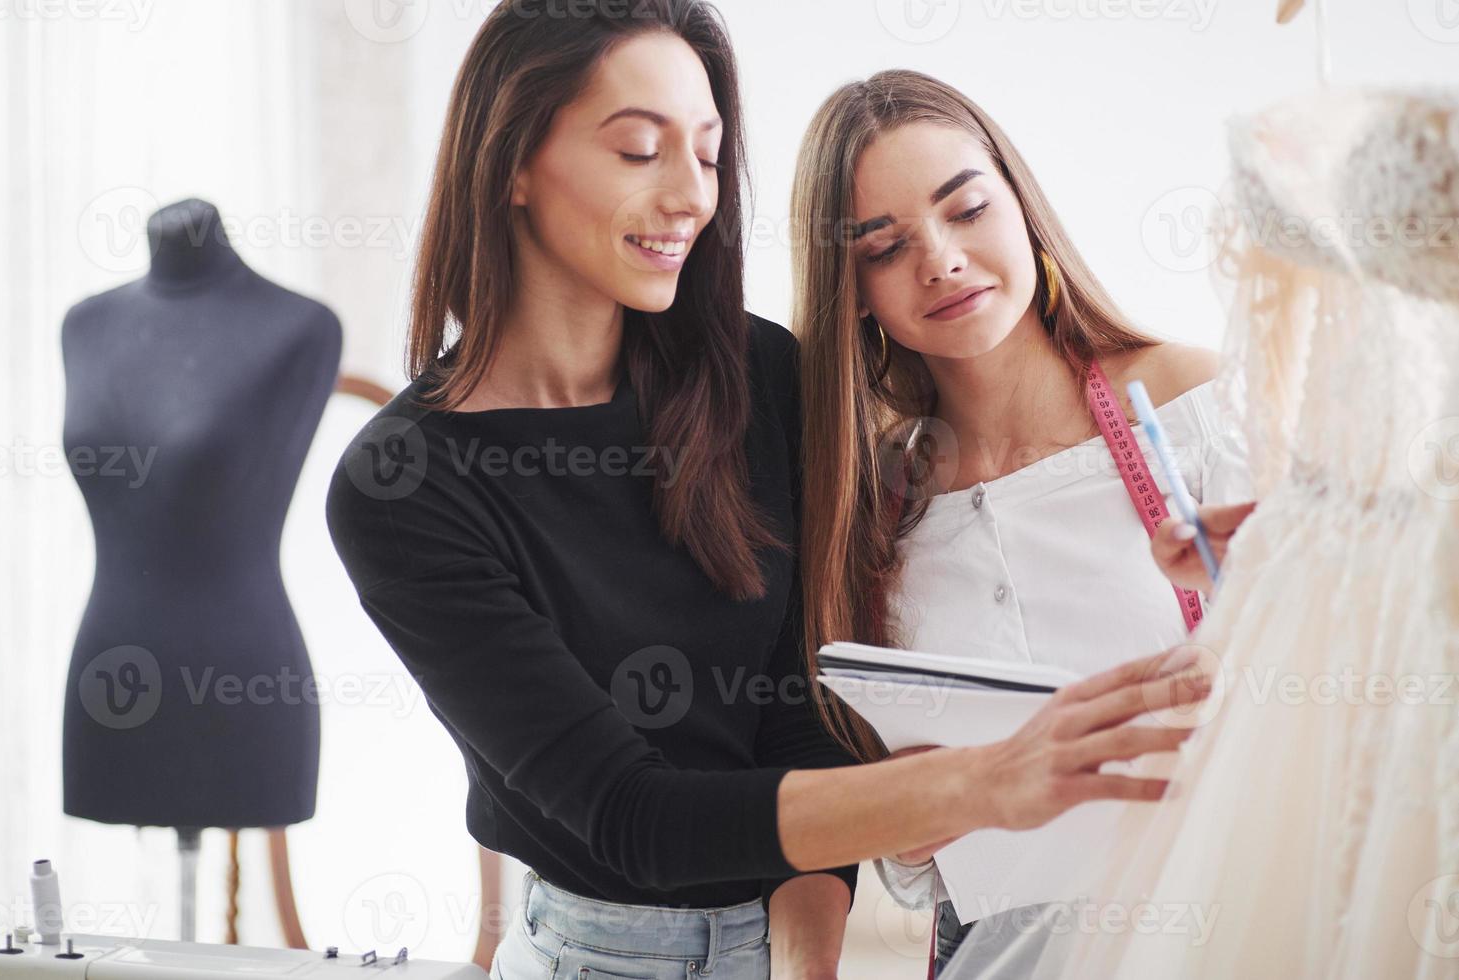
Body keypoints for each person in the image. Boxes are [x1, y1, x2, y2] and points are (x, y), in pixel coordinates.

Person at [325, 5, 1212, 977]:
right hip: (595, 952)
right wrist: (986, 783)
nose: (688, 197)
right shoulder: (402, 488)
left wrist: (803, 959)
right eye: (638, 150)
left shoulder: (756, 377)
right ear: (513, 163)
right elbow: (633, 815)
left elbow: (799, 716)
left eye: (707, 155)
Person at [787, 68, 1254, 974]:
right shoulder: (870, 506)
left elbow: (1344, 676)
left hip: (1214, 921)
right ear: (851, 291)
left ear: (1021, 205)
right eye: (883, 248)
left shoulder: (1188, 404)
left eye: (965, 210)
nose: (941, 260)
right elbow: (916, 866)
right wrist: (912, 831)